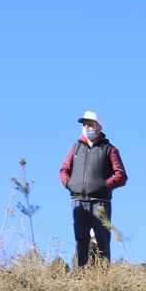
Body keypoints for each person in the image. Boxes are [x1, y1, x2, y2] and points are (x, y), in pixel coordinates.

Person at [58, 111, 127, 268]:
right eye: (84, 125)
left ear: (99, 127)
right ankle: (79, 275)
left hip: (100, 202)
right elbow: (63, 170)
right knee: (81, 239)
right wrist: (70, 184)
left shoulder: (109, 149)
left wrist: (104, 186)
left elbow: (121, 175)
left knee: (102, 240)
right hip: (78, 201)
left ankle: (103, 276)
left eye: (90, 124)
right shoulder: (75, 148)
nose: (87, 127)